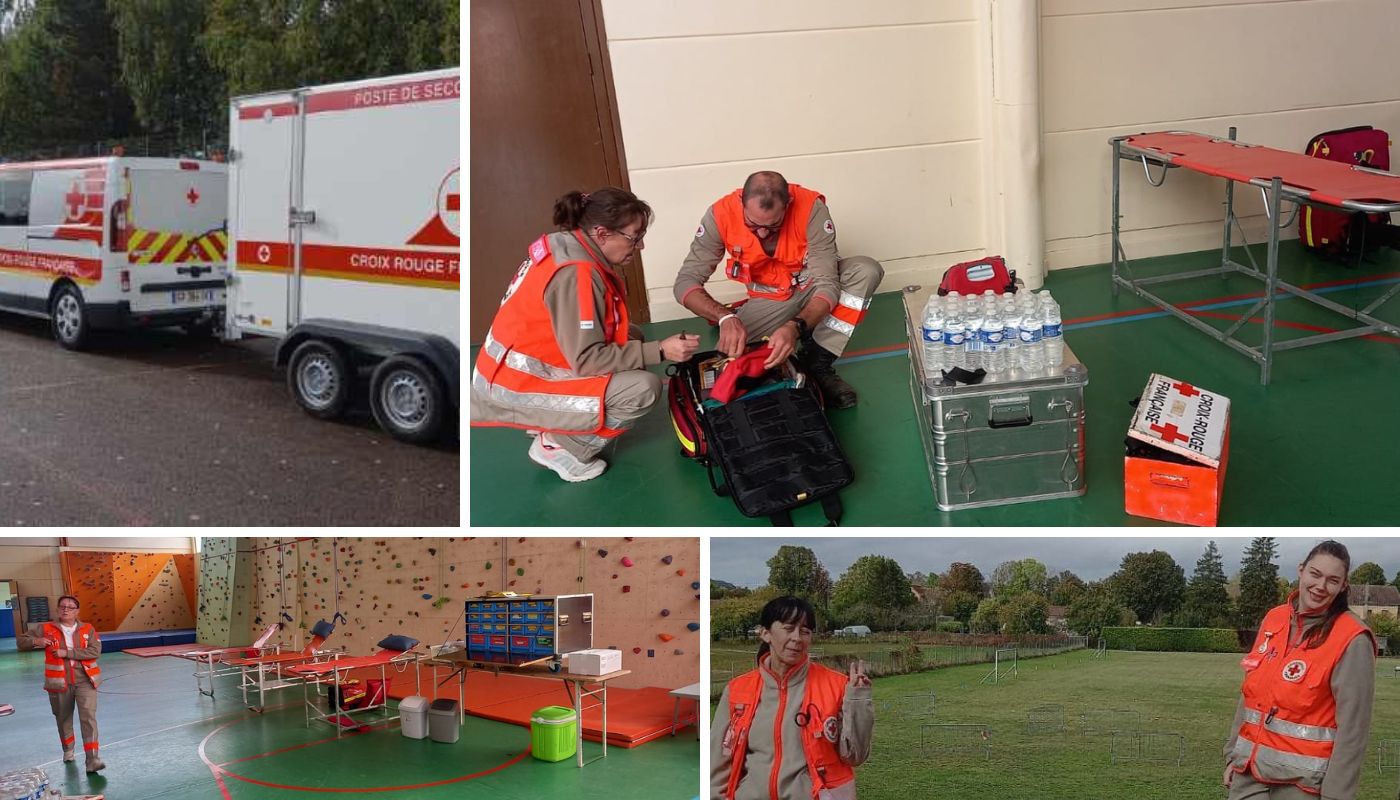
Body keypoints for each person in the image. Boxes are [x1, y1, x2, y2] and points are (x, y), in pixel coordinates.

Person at [472, 187, 699, 482]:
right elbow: (587, 359)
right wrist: (661, 350)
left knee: (632, 335)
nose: (640, 246)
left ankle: (554, 423)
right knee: (643, 389)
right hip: (516, 386)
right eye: (634, 237)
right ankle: (561, 447)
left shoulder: (563, 245)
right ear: (602, 233)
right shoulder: (577, 274)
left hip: (507, 370)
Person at [674, 171, 884, 409]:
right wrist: (725, 317)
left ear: (788, 205)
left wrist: (795, 326)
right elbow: (685, 283)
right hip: (770, 299)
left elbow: (827, 284)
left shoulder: (810, 209)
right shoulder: (719, 215)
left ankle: (818, 363)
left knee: (865, 270)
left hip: (811, 287)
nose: (762, 232)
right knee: (734, 364)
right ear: (742, 202)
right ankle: (792, 336)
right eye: (753, 224)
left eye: (773, 225)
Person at [1224, 540, 1375, 800]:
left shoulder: (1352, 637)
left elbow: (1353, 729)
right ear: (1301, 569)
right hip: (1248, 778)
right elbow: (1250, 695)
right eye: (1315, 574)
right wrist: (1233, 756)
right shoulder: (1275, 618)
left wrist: (1335, 795)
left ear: (1343, 586)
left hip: (1301, 787)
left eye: (1332, 580)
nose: (1320, 586)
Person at [711, 596, 873, 800]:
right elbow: (718, 761)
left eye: (805, 631)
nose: (797, 638)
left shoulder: (837, 685)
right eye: (789, 628)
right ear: (765, 633)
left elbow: (854, 755)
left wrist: (858, 700)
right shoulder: (737, 690)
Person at [17, 595, 104, 772]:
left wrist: (67, 653)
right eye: (63, 606)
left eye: (71, 607)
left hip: (85, 680)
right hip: (59, 683)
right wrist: (36, 641)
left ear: (77, 611)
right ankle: (68, 750)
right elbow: (21, 642)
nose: (66, 609)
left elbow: (95, 651)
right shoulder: (45, 628)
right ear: (57, 610)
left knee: (88, 717)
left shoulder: (88, 629)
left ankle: (92, 759)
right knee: (63, 719)